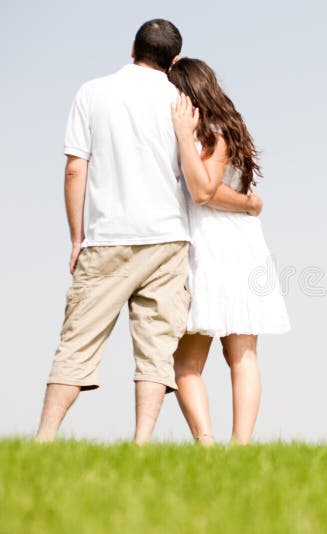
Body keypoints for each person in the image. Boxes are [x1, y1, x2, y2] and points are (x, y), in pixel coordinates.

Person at [34, 20, 261, 444]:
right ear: (174, 59)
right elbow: (200, 182)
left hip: (107, 237)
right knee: (156, 349)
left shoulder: (91, 93)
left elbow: (74, 168)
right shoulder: (183, 103)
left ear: (133, 47)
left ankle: (45, 436)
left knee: (77, 341)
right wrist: (249, 202)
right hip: (168, 240)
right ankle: (142, 442)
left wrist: (76, 236)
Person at [168, 58, 291, 445]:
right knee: (242, 356)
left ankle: (209, 445)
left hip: (212, 246)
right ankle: (240, 446)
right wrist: (248, 204)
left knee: (188, 362)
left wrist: (184, 137)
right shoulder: (228, 128)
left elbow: (203, 191)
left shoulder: (209, 134)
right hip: (241, 245)